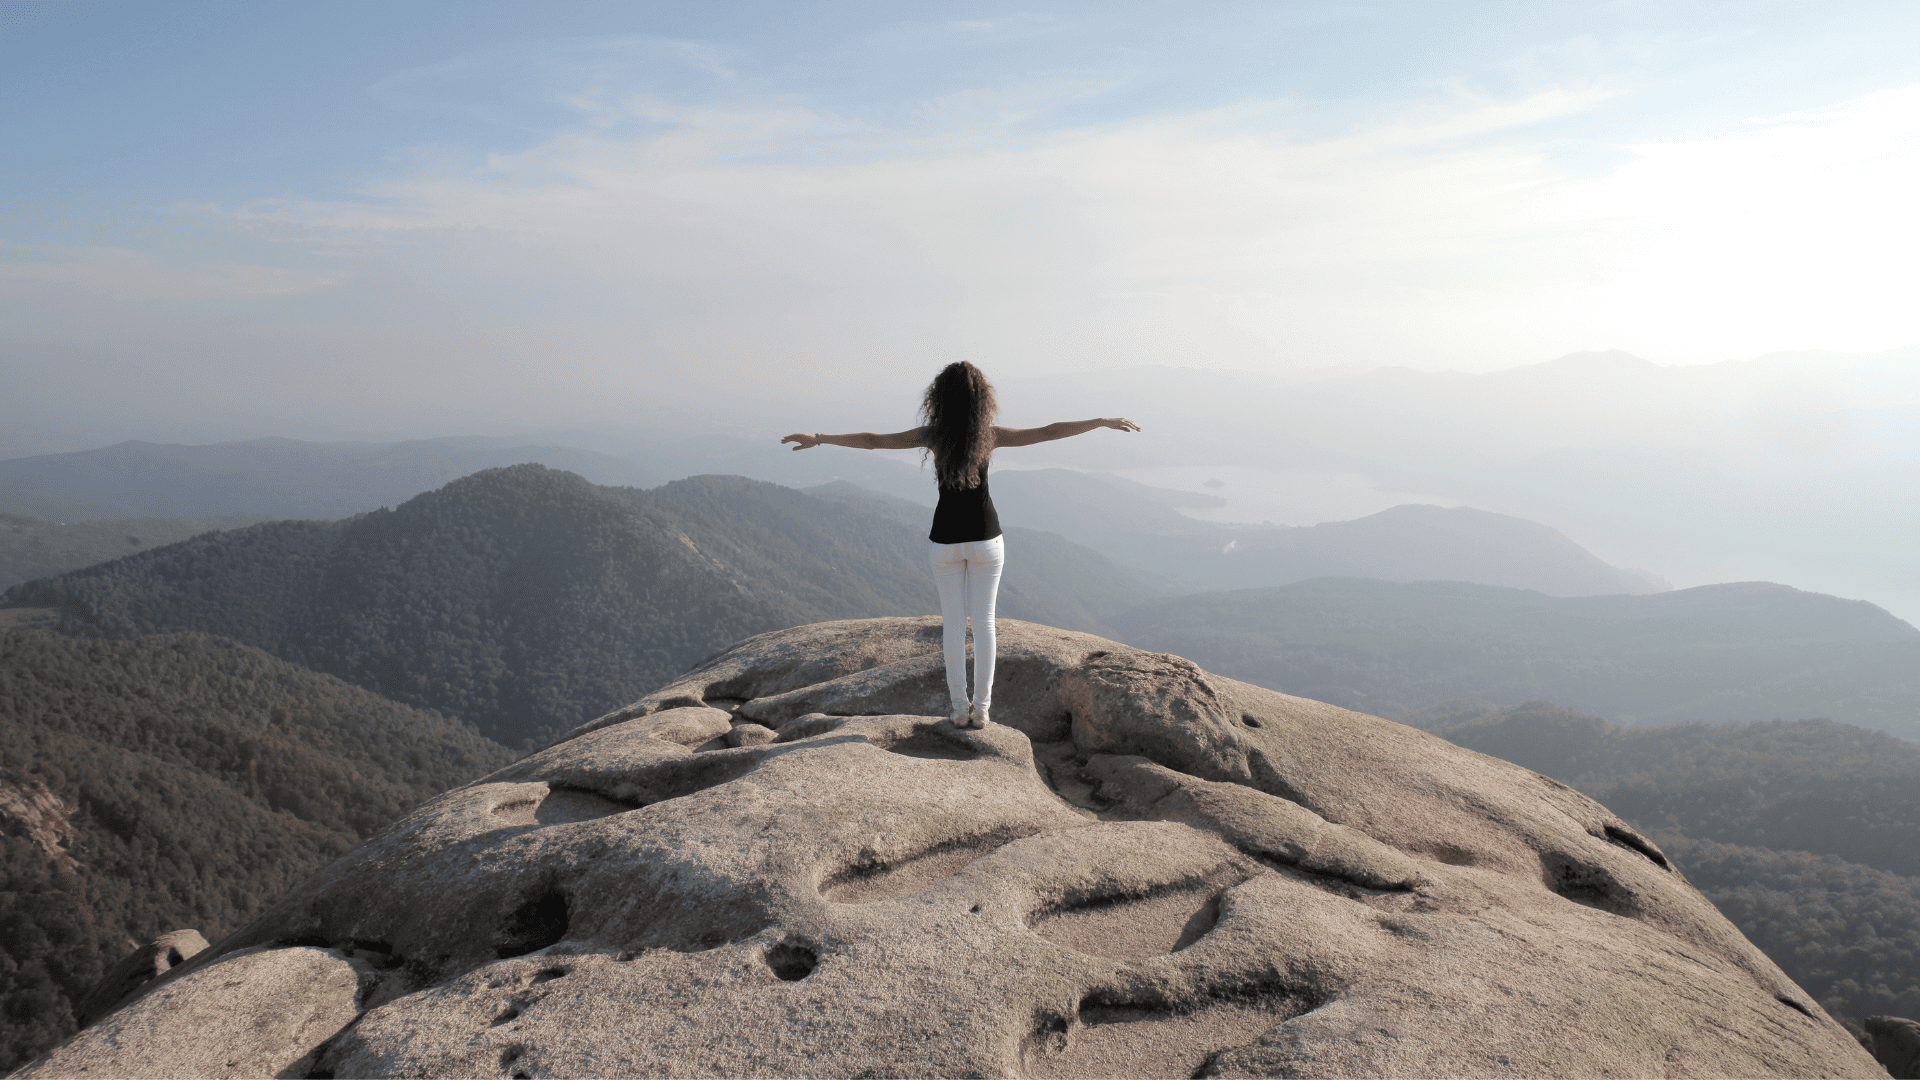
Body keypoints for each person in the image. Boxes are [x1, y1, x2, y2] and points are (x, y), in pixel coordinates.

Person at [781, 362, 1139, 729]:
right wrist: (1100, 422)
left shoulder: (933, 436)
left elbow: (874, 440)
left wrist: (819, 437)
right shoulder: (992, 434)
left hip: (945, 542)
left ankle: (958, 708)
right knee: (983, 623)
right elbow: (1048, 432)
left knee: (953, 625)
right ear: (982, 399)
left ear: (939, 397)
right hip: (986, 539)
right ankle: (981, 710)